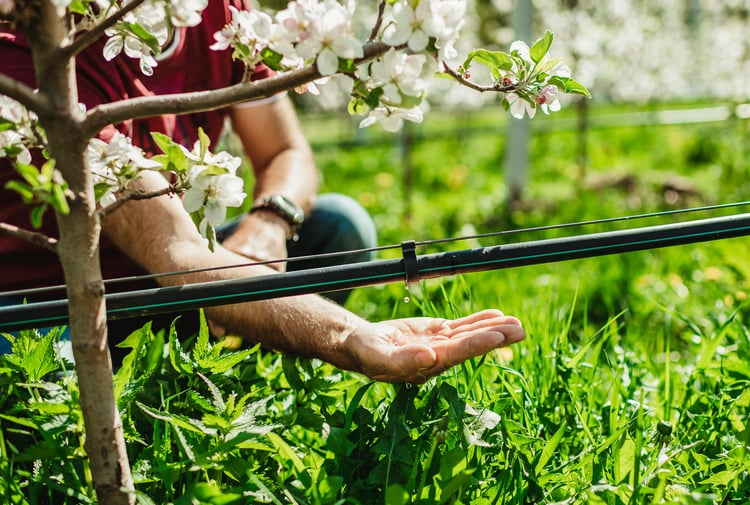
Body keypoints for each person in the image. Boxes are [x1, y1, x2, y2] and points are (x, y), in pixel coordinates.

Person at [0, 1, 525, 383]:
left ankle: (225, 360)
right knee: (44, 388)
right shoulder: (36, 52)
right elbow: (178, 254)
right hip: (47, 312)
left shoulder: (217, 14)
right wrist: (347, 336)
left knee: (338, 226)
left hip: (162, 283)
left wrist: (271, 221)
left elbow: (285, 152)